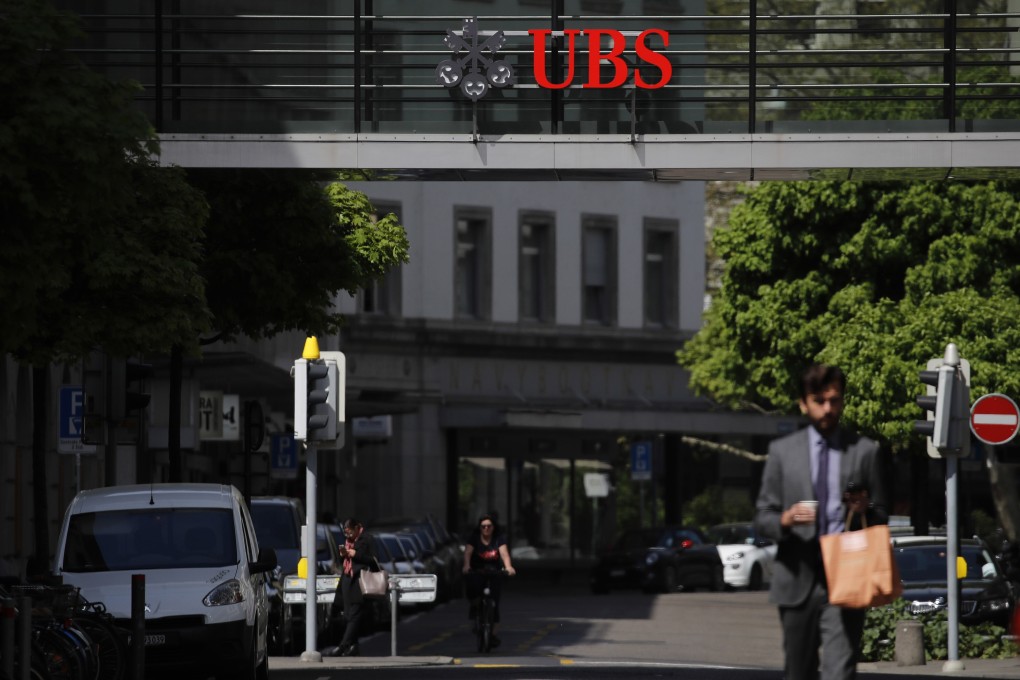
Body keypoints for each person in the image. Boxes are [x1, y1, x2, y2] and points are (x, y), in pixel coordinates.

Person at [754, 363, 888, 680]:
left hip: (847, 576)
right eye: (819, 401)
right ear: (804, 403)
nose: (828, 409)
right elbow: (762, 517)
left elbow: (881, 514)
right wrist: (785, 520)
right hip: (797, 576)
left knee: (840, 671)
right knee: (798, 672)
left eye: (834, 400)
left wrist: (865, 509)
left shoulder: (864, 451)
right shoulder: (783, 452)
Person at [462, 514, 516, 647]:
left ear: (493, 527)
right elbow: (468, 553)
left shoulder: (498, 539)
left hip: (494, 572)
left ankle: (491, 633)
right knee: (473, 589)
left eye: (489, 526)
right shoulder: (474, 539)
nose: (486, 528)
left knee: (494, 601)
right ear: (480, 528)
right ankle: (475, 611)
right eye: (483, 526)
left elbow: (504, 554)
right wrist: (466, 565)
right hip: (477, 570)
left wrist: (508, 567)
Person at [328, 517, 376, 657]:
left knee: (354, 615)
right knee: (348, 615)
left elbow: (373, 560)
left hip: (360, 581)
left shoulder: (367, 539)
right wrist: (344, 555)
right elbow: (346, 563)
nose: (348, 536)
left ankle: (344, 645)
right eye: (346, 533)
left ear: (356, 528)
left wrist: (356, 555)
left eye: (350, 532)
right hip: (348, 580)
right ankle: (354, 646)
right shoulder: (348, 542)